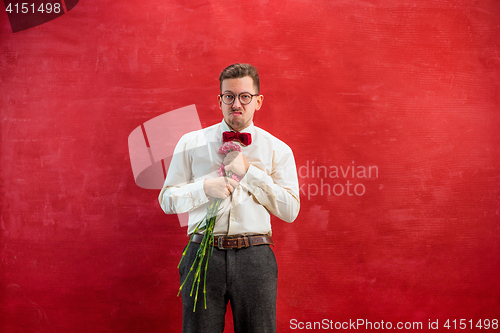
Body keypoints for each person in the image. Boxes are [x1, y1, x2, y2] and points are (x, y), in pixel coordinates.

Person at [158, 63, 300, 333]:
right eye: (229, 96)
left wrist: (249, 172)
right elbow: (167, 199)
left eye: (245, 96)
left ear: (258, 101)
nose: (237, 103)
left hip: (255, 259)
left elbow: (290, 209)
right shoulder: (190, 143)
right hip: (202, 254)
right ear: (220, 100)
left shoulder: (278, 150)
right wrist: (203, 189)